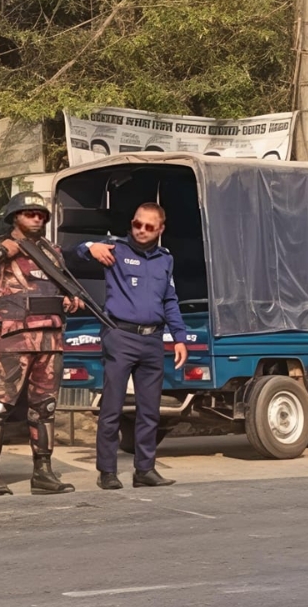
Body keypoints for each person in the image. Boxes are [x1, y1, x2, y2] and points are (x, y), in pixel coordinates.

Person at [0, 192, 82, 496]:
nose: (36, 218)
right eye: (29, 213)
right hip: (15, 337)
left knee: (45, 408)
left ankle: (43, 472)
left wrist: (69, 299)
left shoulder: (52, 252)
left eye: (40, 214)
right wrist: (3, 252)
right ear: (15, 216)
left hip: (50, 339)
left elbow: (60, 284)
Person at [77, 203, 187, 489]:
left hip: (153, 339)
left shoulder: (165, 259)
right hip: (120, 336)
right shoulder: (116, 249)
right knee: (112, 407)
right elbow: (75, 251)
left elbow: (170, 300)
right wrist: (90, 245)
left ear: (160, 229)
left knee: (149, 410)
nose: (141, 230)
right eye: (137, 224)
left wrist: (180, 338)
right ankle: (108, 472)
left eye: (149, 227)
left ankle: (145, 470)